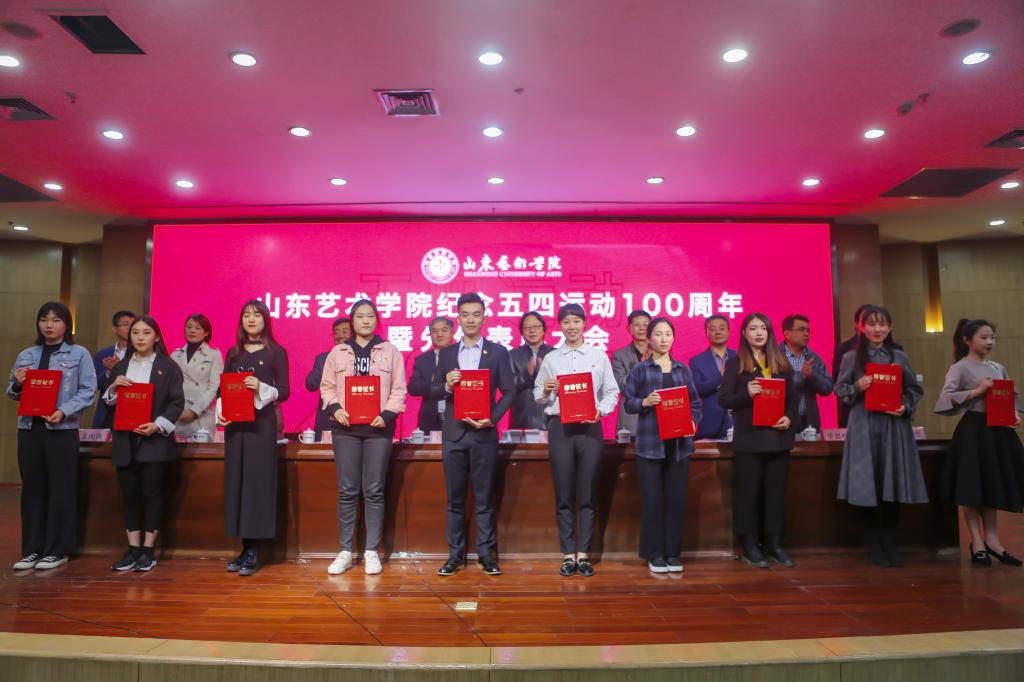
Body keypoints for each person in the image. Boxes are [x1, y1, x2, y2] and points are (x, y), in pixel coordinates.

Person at [430, 293, 515, 576]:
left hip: (483, 434)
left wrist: (493, 418)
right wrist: (447, 385)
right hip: (454, 434)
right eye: (465, 314)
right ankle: (454, 556)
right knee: (454, 499)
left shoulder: (498, 352)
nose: (470, 319)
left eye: (476, 314)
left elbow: (509, 391)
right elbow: (433, 390)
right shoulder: (447, 353)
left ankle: (486, 555)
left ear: (484, 318)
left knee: (484, 498)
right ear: (458, 319)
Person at [7, 302, 97, 571]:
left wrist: (64, 411)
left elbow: (88, 391)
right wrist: (17, 383)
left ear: (66, 325)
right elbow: (12, 392)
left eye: (56, 320)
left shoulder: (79, 354)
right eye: (44, 319)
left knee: (61, 488)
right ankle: (32, 550)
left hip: (62, 430)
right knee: (32, 489)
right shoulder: (26, 354)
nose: (49, 325)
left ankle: (58, 550)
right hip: (29, 429)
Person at [835, 305, 926, 568]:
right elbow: (839, 389)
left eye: (882, 324)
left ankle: (889, 542)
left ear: (889, 327)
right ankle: (873, 544)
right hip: (863, 425)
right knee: (868, 485)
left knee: (891, 483)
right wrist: (857, 386)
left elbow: (914, 389)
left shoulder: (899, 356)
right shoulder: (852, 357)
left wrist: (905, 407)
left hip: (893, 426)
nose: (877, 329)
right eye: (872, 324)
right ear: (861, 327)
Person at [320, 300, 406, 575]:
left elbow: (399, 389)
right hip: (345, 429)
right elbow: (327, 387)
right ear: (352, 321)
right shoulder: (338, 352)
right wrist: (336, 408)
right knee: (347, 490)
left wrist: (387, 414)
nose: (366, 320)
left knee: (374, 490)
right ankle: (345, 551)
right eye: (360, 316)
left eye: (370, 316)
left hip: (378, 430)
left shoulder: (390, 351)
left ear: (377, 320)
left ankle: (371, 551)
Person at [534, 304, 619, 576]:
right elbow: (538, 395)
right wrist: (546, 390)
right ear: (560, 325)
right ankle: (567, 554)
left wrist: (600, 410)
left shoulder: (598, 356)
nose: (571, 326)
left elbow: (612, 392)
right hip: (560, 429)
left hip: (590, 429)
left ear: (584, 324)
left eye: (576, 321)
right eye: (566, 322)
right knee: (564, 493)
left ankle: (584, 554)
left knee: (587, 493)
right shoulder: (551, 358)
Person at [934, 319, 1024, 567]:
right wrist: (977, 390)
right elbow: (945, 399)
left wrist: (1014, 414)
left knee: (991, 484)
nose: (989, 342)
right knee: (971, 486)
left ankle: (993, 540)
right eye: (984, 337)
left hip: (998, 432)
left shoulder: (998, 367)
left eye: (992, 337)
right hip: (973, 431)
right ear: (967, 340)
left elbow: (1011, 397)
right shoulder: (959, 368)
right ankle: (977, 542)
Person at [104, 316, 185, 572]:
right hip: (125, 441)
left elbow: (176, 403)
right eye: (135, 332)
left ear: (157, 337)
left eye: (146, 332)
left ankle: (148, 551)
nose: (140, 337)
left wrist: (158, 425)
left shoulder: (168, 367)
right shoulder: (121, 367)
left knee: (152, 495)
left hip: (154, 441)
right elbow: (108, 403)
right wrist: (113, 388)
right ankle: (132, 549)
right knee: (129, 496)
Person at [719, 312, 799, 569]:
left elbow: (793, 399)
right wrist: (745, 394)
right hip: (750, 441)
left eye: (763, 328)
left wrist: (789, 418)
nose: (758, 333)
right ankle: (750, 545)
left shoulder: (781, 362)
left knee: (775, 495)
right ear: (744, 333)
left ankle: (774, 544)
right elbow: (724, 400)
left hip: (778, 439)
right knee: (749, 495)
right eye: (753, 328)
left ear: (769, 333)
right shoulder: (735, 364)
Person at [217, 300, 290, 576]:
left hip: (261, 426)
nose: (251, 319)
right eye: (246, 315)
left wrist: (260, 386)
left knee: (257, 483)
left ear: (266, 320)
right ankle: (244, 546)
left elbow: (285, 391)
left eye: (256, 315)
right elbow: (223, 389)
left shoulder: (276, 352)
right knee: (237, 481)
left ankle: (254, 549)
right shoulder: (233, 352)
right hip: (236, 426)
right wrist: (221, 413)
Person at [624, 317, 702, 574]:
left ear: (674, 338)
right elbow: (628, 402)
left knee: (676, 500)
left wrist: (692, 422)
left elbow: (695, 403)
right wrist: (644, 402)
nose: (664, 338)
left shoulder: (683, 370)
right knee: (652, 501)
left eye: (668, 333)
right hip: (650, 445)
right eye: (658, 334)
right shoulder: (640, 370)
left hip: (679, 446)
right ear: (649, 339)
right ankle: (654, 553)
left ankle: (672, 553)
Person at [170, 314, 223, 439]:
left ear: (206, 332)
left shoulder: (213, 354)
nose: (192, 331)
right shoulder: (175, 355)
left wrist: (194, 411)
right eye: (189, 327)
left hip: (201, 415)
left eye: (197, 328)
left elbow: (214, 388)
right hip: (179, 414)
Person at [780, 314, 834, 431]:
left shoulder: (813, 357)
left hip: (809, 423)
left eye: (808, 331)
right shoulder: (775, 356)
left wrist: (812, 376)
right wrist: (800, 376)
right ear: (787, 334)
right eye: (801, 330)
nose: (806, 334)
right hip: (782, 421)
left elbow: (828, 388)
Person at [689, 315, 737, 440]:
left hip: (738, 420)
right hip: (710, 424)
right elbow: (698, 389)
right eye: (713, 329)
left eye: (722, 328)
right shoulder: (697, 361)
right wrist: (720, 376)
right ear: (707, 332)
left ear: (728, 331)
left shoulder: (740, 357)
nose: (718, 332)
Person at [305, 317, 351, 441]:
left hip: (353, 419)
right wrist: (326, 366)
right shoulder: (323, 359)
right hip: (327, 419)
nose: (340, 335)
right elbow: (310, 384)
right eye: (336, 332)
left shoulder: (362, 357)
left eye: (345, 331)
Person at [407, 316, 453, 434]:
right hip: (429, 416)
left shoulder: (462, 356)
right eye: (435, 331)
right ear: (430, 334)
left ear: (452, 333)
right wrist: (431, 383)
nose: (439, 334)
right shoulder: (422, 359)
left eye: (444, 330)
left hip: (455, 416)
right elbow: (412, 387)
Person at [511, 311, 554, 430]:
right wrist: (526, 374)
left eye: (536, 326)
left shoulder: (555, 354)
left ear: (544, 330)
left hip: (551, 419)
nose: (532, 330)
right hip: (522, 419)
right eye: (527, 328)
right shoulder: (512, 355)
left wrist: (545, 375)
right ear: (522, 332)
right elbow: (507, 387)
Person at [92, 310, 136, 428]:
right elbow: (93, 384)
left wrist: (119, 369)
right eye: (126, 324)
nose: (130, 328)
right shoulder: (103, 354)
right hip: (106, 413)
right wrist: (109, 373)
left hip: (132, 411)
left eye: (133, 324)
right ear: (114, 329)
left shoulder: (140, 354)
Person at [611, 310, 651, 437]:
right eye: (637, 325)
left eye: (645, 325)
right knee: (626, 449)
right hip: (629, 419)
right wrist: (640, 369)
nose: (642, 328)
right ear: (629, 329)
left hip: (656, 417)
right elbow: (621, 386)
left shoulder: (660, 353)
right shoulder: (619, 355)